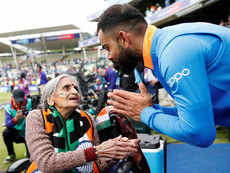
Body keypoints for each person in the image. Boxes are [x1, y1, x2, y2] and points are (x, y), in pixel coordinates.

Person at [97, 4, 230, 147]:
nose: (109, 56)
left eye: (107, 48)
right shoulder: (165, 46)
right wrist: (152, 110)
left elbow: (200, 133)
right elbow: (202, 114)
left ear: (123, 38)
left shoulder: (173, 53)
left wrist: (146, 114)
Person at [25, 74, 139, 173]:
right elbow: (46, 163)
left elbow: (97, 164)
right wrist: (97, 151)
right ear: (50, 99)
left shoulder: (87, 118)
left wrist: (117, 151)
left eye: (76, 88)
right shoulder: (37, 117)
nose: (74, 91)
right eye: (66, 88)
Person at [2, 89, 32, 163]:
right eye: (17, 100)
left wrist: (29, 116)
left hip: (29, 132)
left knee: (30, 157)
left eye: (21, 100)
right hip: (17, 133)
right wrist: (16, 118)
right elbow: (8, 124)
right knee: (6, 132)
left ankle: (29, 152)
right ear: (13, 98)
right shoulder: (8, 108)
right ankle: (11, 154)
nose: (20, 102)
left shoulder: (31, 102)